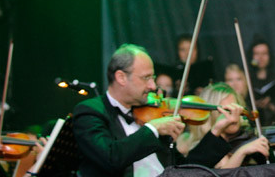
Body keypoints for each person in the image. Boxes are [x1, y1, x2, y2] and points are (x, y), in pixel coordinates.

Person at [73, 44, 241, 177]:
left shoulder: (151, 113)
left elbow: (185, 170)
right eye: (146, 78)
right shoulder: (89, 112)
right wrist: (153, 129)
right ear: (121, 77)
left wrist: (216, 131)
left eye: (152, 78)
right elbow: (111, 158)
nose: (153, 86)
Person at [175, 83, 268, 167]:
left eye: (235, 109)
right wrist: (241, 152)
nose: (233, 116)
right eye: (226, 111)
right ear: (210, 115)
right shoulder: (192, 146)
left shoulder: (251, 137)